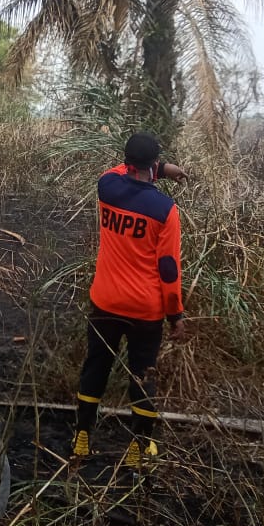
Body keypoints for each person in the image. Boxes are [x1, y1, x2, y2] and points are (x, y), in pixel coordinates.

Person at [71, 131, 188, 469]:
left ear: (126, 161)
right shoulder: (166, 210)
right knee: (142, 374)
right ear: (152, 165)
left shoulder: (107, 187)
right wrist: (175, 314)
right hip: (145, 311)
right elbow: (168, 270)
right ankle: (139, 446)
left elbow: (119, 170)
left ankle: (82, 436)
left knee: (96, 366)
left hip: (105, 302)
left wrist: (160, 166)